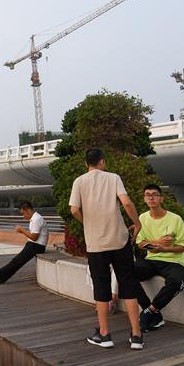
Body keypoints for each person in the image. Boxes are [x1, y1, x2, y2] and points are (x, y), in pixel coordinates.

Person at [69, 148, 144, 350]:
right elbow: (126, 202)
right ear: (102, 162)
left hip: (96, 244)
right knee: (128, 284)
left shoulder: (79, 181)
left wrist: (87, 223)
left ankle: (104, 335)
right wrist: (137, 223)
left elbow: (74, 210)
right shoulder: (113, 178)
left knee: (101, 287)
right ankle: (136, 335)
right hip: (119, 240)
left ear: (86, 163)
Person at [134, 185, 184, 332]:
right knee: (127, 273)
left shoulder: (175, 219)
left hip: (174, 261)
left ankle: (150, 311)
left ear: (161, 199)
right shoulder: (142, 218)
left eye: (155, 194)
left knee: (176, 281)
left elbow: (183, 247)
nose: (151, 197)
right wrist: (158, 243)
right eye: (148, 195)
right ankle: (149, 310)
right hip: (152, 259)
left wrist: (165, 249)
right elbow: (141, 243)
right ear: (144, 199)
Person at [0, 201, 47, 283]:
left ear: (28, 210)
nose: (23, 216)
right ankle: (1, 278)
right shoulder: (35, 218)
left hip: (37, 246)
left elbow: (34, 237)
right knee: (17, 261)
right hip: (34, 245)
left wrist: (21, 230)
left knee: (17, 261)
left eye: (23, 213)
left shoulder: (37, 219)